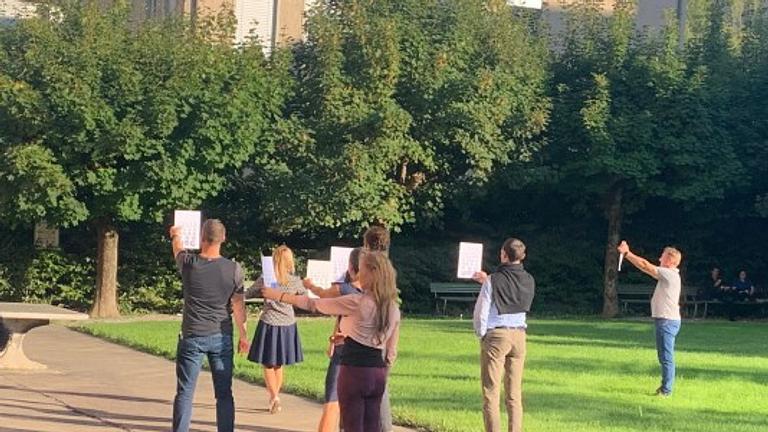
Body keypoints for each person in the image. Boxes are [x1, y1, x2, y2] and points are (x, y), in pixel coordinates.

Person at [261, 251, 401, 432]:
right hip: (377, 373)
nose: (358, 274)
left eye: (363, 270)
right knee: (372, 425)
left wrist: (278, 295)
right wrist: (382, 371)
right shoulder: (393, 308)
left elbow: (313, 304)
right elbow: (390, 353)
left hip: (354, 371)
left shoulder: (357, 302)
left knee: (352, 424)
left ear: (372, 273)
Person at [169, 220, 249, 432]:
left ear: (201, 238)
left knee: (185, 392)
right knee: (224, 393)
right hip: (221, 336)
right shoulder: (234, 269)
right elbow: (239, 306)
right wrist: (243, 335)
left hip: (192, 334)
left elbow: (177, 249)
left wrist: (176, 234)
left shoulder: (189, 264)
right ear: (224, 238)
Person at [472, 237, 535, 432]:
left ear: (504, 255)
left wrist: (481, 334)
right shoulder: (529, 279)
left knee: (491, 393)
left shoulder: (493, 280)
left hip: (497, 335)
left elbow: (481, 311)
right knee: (514, 394)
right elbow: (511, 292)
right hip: (519, 335)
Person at [303, 248, 364, 432]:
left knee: (333, 399)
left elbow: (322, 295)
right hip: (366, 351)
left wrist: (310, 285)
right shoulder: (376, 294)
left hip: (344, 349)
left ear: (351, 267)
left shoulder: (343, 289)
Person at [246, 245, 306, 414]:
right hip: (288, 324)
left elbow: (249, 293)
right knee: (279, 363)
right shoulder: (294, 280)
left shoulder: (267, 277)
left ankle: (274, 397)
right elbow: (303, 297)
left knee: (267, 363)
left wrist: (261, 293)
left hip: (269, 323)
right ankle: (275, 396)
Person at [617, 240, 682, 397]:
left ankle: (666, 390)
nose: (659, 259)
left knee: (666, 357)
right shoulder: (668, 275)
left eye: (662, 256)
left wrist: (627, 253)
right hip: (666, 320)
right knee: (664, 356)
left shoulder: (670, 274)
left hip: (667, 321)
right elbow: (647, 267)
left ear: (670, 260)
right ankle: (665, 387)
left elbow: (645, 265)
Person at [362, 225, 395, 432]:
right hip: (384, 331)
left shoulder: (368, 264)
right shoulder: (389, 268)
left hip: (365, 332)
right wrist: (393, 344)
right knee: (380, 388)